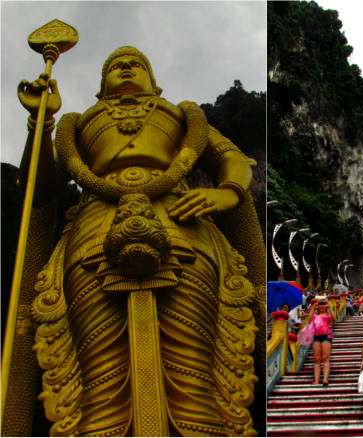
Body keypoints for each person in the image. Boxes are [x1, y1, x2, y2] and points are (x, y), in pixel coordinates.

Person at [16, 46, 264, 436]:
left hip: (181, 225)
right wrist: (41, 122)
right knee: (98, 366)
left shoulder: (180, 117)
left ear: (154, 80)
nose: (126, 68)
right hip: (94, 234)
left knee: (193, 356)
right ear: (100, 88)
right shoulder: (78, 126)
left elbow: (230, 157)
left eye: (136, 64)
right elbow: (38, 185)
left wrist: (227, 191)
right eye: (115, 66)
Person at [310, 300, 335, 385]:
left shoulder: (328, 315)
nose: (322, 306)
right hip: (315, 337)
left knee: (325, 357)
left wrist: (330, 307)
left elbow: (334, 319)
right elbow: (309, 321)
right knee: (316, 358)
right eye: (320, 305)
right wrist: (313, 308)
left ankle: (325, 379)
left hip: (326, 336)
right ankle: (316, 380)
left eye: (323, 305)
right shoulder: (315, 315)